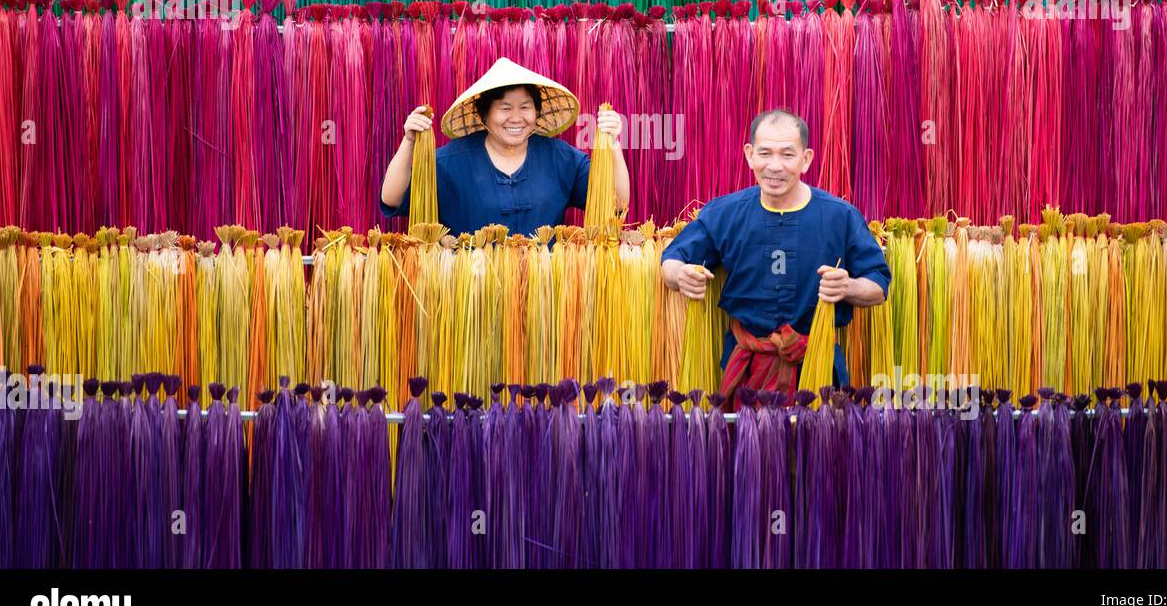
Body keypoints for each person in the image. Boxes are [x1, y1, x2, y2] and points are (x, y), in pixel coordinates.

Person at [661, 108, 890, 402]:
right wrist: (680, 275)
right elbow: (671, 259)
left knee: (816, 447)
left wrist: (849, 287)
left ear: (805, 159)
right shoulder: (725, 213)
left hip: (817, 371)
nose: (775, 166)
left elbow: (879, 284)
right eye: (765, 153)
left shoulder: (840, 216)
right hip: (745, 370)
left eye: (787, 155)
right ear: (749, 155)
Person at [379, 57, 629, 236]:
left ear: (537, 112)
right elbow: (392, 198)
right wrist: (409, 141)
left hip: (545, 293)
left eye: (525, 107)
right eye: (505, 108)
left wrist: (614, 143)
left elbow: (616, 204)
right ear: (484, 114)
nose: (516, 118)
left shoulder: (563, 159)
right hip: (471, 296)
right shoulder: (450, 162)